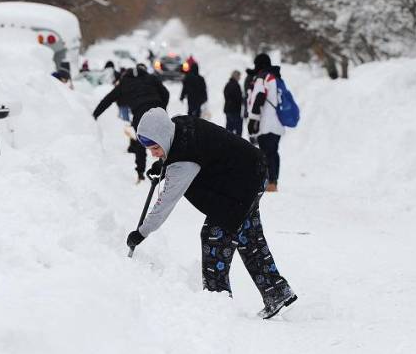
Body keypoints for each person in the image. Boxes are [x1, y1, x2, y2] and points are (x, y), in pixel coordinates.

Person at [127, 108, 297, 319]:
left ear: (163, 136)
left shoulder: (183, 162)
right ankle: (277, 292)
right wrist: (162, 165)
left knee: (214, 238)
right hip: (253, 169)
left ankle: (218, 306)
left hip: (243, 183)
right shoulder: (178, 125)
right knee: (247, 237)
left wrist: (142, 232)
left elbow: (165, 203)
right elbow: (193, 150)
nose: (153, 152)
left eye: (154, 148)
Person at [93, 67, 170, 182]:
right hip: (158, 110)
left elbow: (108, 99)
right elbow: (166, 93)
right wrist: (162, 107)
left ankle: (140, 173)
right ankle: (170, 167)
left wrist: (95, 114)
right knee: (166, 139)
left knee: (140, 143)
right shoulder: (151, 78)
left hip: (140, 113)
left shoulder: (125, 82)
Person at [247, 53, 284, 192]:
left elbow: (260, 97)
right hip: (277, 122)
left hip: (266, 122)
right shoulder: (276, 77)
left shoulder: (262, 78)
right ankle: (273, 181)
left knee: (265, 153)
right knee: (273, 152)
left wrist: (253, 120)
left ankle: (269, 181)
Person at [223, 70, 243, 136]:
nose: (240, 78)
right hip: (235, 111)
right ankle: (238, 145)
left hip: (228, 110)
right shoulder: (236, 85)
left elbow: (226, 95)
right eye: (239, 76)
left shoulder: (228, 84)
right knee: (238, 130)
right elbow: (238, 98)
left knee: (229, 129)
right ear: (236, 76)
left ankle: (227, 144)